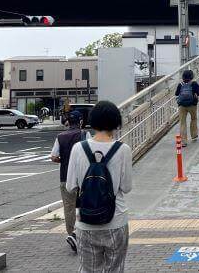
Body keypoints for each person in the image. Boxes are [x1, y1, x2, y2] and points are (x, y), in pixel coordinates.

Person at [66, 101, 133, 273]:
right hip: (116, 221)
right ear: (115, 122)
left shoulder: (78, 148)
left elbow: (70, 187)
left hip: (86, 222)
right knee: (115, 269)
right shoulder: (123, 149)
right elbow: (126, 187)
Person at [49, 111, 89, 253]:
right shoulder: (84, 135)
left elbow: (53, 157)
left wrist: (64, 160)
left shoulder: (60, 136)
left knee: (69, 207)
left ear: (67, 122)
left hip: (65, 177)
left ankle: (71, 234)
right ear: (80, 122)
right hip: (83, 178)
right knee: (86, 205)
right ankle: (82, 234)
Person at [174, 69, 199, 147]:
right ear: (192, 76)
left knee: (182, 123)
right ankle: (194, 135)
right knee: (193, 119)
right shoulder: (194, 84)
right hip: (192, 105)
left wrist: (179, 102)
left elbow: (176, 96)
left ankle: (183, 141)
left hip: (182, 106)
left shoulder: (180, 84)